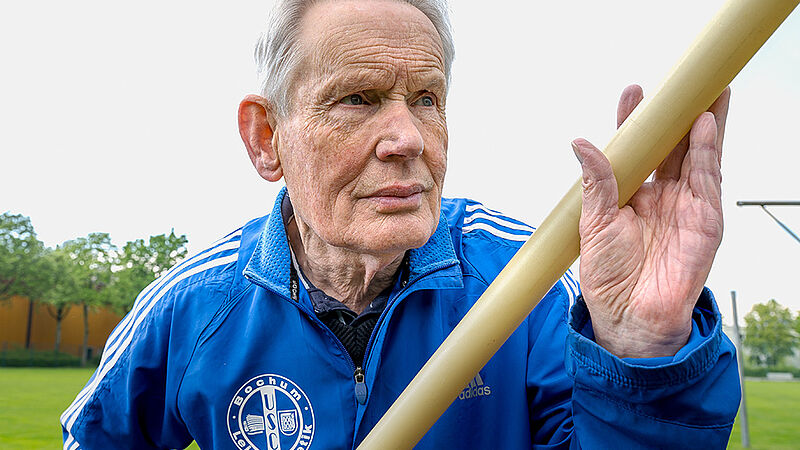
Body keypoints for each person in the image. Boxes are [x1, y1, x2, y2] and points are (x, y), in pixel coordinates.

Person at [61, 0, 739, 448]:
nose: (407, 138)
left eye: (426, 99)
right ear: (267, 138)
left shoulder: (528, 286)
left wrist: (643, 352)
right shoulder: (192, 308)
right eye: (357, 98)